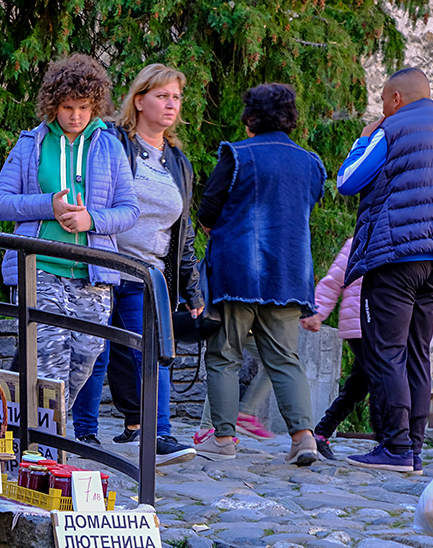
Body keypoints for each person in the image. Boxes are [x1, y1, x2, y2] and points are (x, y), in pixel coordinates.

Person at [336, 67, 433, 473]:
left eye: (382, 101)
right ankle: (411, 446)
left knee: (387, 349)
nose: (381, 109)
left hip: (396, 254)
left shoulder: (392, 128)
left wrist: (362, 140)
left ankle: (394, 447)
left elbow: (348, 181)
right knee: (416, 351)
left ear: (395, 99)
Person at [0, 54, 138, 413]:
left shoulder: (111, 146)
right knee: (49, 359)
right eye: (67, 107)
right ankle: (44, 448)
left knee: (85, 358)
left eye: (84, 107)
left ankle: (32, 426)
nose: (75, 115)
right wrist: (47, 206)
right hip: (39, 268)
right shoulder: (30, 145)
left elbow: (130, 211)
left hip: (93, 274)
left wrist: (93, 220)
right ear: (52, 105)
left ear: (96, 105)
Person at [69, 63, 200, 465]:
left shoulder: (177, 161)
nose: (171, 104)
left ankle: (158, 435)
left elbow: (184, 229)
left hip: (150, 274)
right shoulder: (112, 143)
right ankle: (85, 433)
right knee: (96, 352)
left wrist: (191, 285)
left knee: (153, 352)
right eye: (162, 96)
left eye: (176, 97)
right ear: (139, 100)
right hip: (103, 265)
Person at [195, 83, 326, 466]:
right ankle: (304, 438)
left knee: (224, 355)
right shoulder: (310, 163)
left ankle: (222, 439)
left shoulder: (237, 154)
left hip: (237, 273)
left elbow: (207, 211)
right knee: (285, 358)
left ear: (251, 118)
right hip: (288, 274)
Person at [300, 237, 379, 463]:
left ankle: (321, 433)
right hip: (359, 324)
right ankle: (389, 441)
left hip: (382, 324)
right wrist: (317, 311)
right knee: (380, 380)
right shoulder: (358, 242)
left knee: (358, 387)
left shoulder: (400, 237)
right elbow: (334, 280)